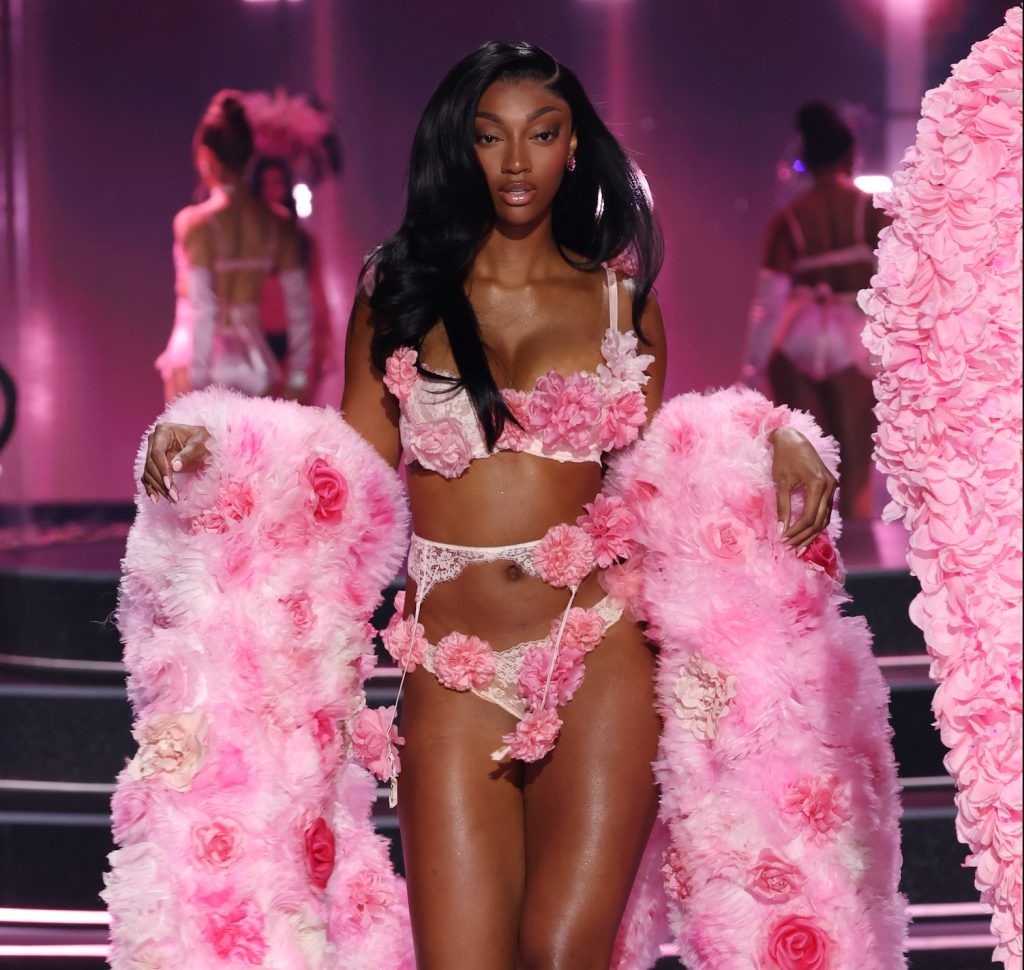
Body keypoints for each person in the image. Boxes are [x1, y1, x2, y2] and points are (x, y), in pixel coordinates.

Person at [142, 43, 837, 970]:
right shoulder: (399, 292)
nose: (516, 161)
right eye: (490, 136)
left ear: (574, 148)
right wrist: (221, 445)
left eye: (542, 134)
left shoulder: (620, 300)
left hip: (597, 654)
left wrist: (768, 437)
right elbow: (341, 470)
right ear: (459, 148)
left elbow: (661, 477)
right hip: (450, 671)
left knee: (560, 954)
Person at [743, 101, 890, 520]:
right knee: (854, 473)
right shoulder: (871, 211)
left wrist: (752, 368)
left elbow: (768, 303)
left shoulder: (788, 220)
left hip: (797, 341)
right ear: (850, 155)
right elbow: (897, 283)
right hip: (853, 344)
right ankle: (859, 551)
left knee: (808, 473)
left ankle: (810, 547)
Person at [154, 92, 313, 404]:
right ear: (251, 158)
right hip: (254, 362)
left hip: (198, 360)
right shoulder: (277, 224)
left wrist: (196, 388)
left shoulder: (195, 224)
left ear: (205, 158)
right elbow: (301, 309)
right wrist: (298, 376)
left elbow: (203, 310)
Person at [250, 155, 333, 401]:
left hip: (297, 340)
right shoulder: (247, 241)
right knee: (259, 415)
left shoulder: (304, 240)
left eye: (278, 183)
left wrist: (328, 343)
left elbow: (317, 290)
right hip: (258, 340)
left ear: (287, 187)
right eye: (265, 184)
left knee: (296, 411)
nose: (272, 191)